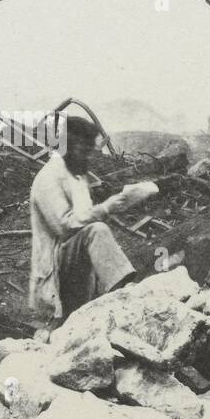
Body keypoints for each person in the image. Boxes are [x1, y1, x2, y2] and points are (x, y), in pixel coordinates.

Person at [28, 115, 145, 325]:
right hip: (56, 273)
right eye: (84, 150)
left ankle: (111, 293)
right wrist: (104, 208)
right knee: (97, 230)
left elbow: (83, 220)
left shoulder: (77, 177)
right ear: (69, 145)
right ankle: (123, 292)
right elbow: (64, 226)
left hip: (77, 270)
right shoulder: (49, 177)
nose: (88, 157)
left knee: (96, 229)